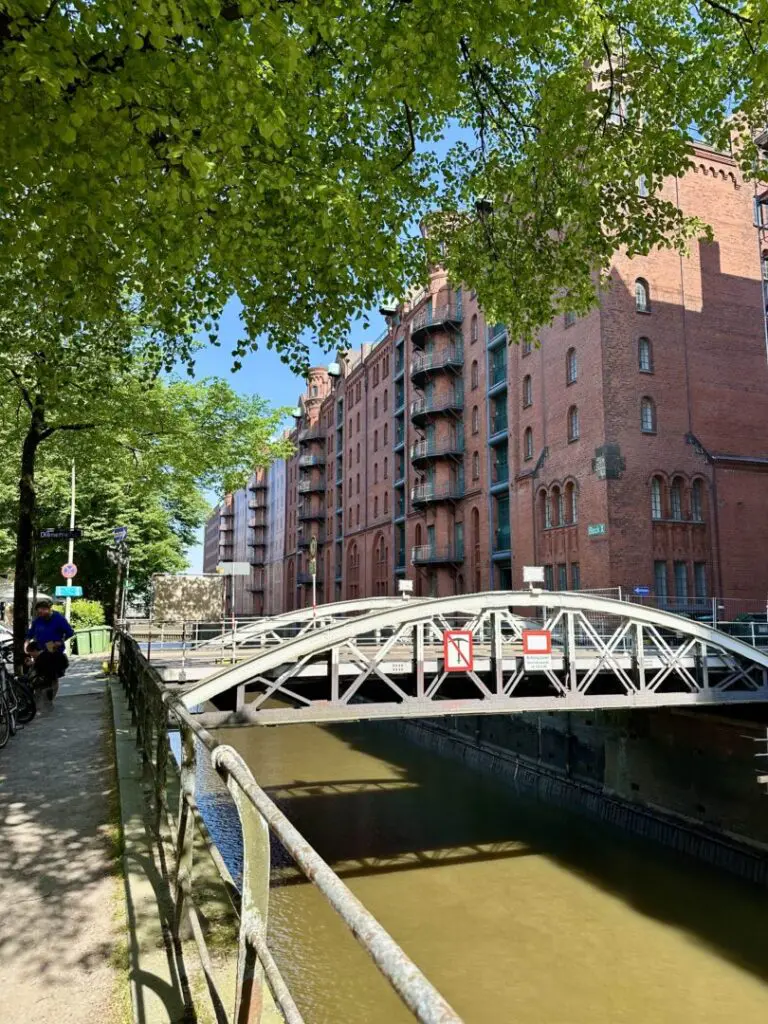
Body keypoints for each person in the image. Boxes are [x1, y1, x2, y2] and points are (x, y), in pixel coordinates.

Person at [25, 599, 74, 700]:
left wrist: (60, 641)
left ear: (48, 609)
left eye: (42, 611)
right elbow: (30, 634)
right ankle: (40, 697)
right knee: (39, 674)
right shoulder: (38, 620)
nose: (40, 614)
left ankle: (50, 699)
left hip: (54, 652)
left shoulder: (59, 619)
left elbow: (69, 632)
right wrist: (26, 643)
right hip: (40, 653)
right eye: (38, 612)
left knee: (52, 676)